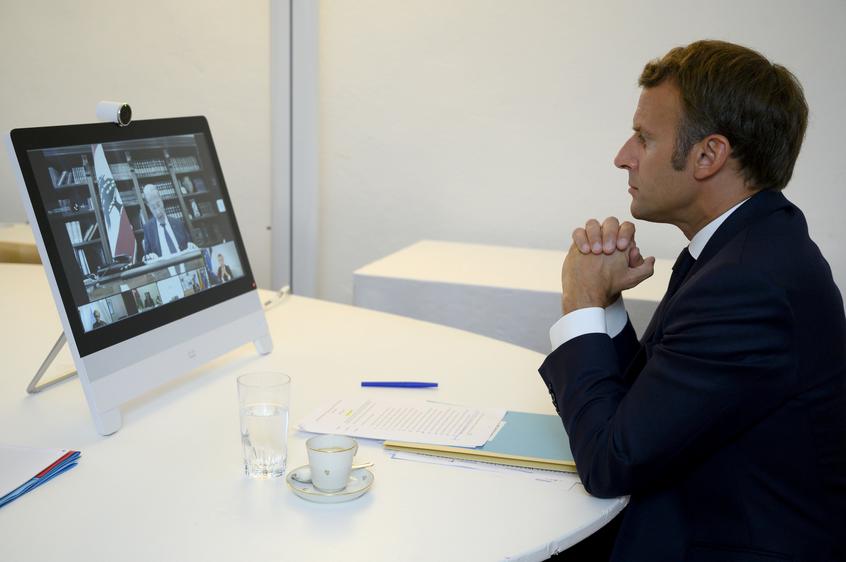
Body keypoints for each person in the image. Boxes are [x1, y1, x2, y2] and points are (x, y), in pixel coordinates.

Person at [539, 40, 846, 561]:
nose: (623, 157)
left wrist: (583, 303)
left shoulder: (747, 283)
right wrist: (608, 305)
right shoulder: (746, 244)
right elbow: (644, 408)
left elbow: (610, 463)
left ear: (708, 155)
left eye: (643, 138)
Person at [141, 184, 195, 261]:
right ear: (148, 206)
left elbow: (190, 245)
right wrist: (148, 257)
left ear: (162, 200)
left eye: (158, 204)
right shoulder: (148, 229)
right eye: (153, 207)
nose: (158, 211)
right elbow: (147, 256)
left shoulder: (178, 223)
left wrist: (191, 246)